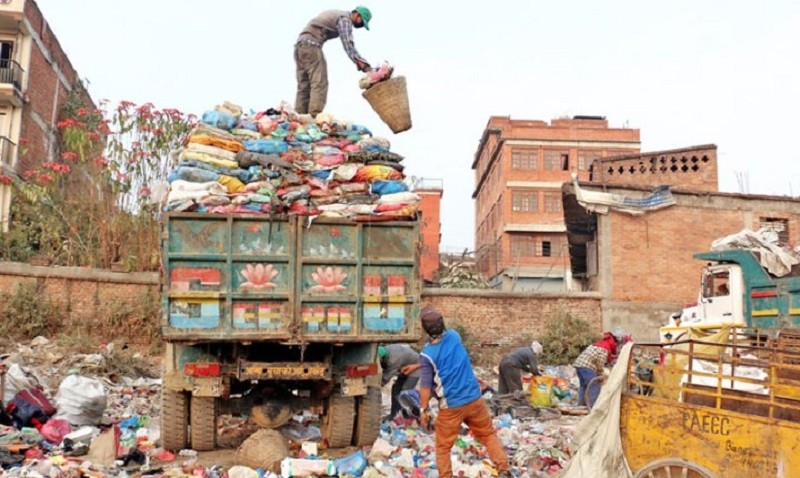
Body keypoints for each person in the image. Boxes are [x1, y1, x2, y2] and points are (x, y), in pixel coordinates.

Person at [417, 306, 511, 478]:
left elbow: (425, 385)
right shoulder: (454, 336)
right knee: (489, 434)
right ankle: (504, 469)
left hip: (451, 406)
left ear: (424, 328)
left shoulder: (427, 355)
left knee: (443, 447)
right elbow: (446, 354)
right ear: (443, 323)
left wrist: (423, 409)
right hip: (475, 399)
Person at [294, 7, 373, 117]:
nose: (360, 25)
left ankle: (298, 117)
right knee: (319, 83)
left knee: (304, 85)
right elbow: (347, 44)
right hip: (312, 47)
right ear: (357, 15)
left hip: (300, 47)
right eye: (362, 22)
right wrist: (361, 63)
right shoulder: (345, 20)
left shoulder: (338, 14)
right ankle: (314, 116)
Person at [573, 329, 628, 408]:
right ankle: (593, 407)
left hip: (579, 364)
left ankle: (581, 405)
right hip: (586, 366)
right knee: (594, 385)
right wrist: (600, 374)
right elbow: (600, 363)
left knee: (584, 386)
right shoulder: (605, 348)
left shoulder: (601, 343)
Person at [378, 344, 421, 421]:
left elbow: (386, 377)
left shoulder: (392, 360)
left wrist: (377, 387)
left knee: (405, 392)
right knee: (396, 390)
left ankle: (409, 416)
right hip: (404, 368)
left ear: (381, 358)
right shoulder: (386, 349)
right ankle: (394, 414)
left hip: (416, 368)